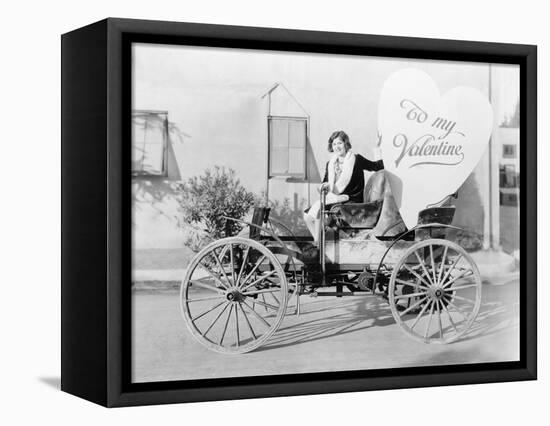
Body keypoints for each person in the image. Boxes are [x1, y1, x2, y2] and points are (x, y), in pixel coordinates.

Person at [303, 130, 384, 241]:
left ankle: (320, 245)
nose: (337, 146)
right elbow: (324, 182)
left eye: (340, 143)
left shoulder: (356, 160)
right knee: (308, 216)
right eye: (334, 144)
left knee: (322, 214)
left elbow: (377, 166)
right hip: (334, 199)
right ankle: (319, 242)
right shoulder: (330, 164)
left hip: (351, 201)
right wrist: (323, 186)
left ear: (346, 144)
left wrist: (377, 147)